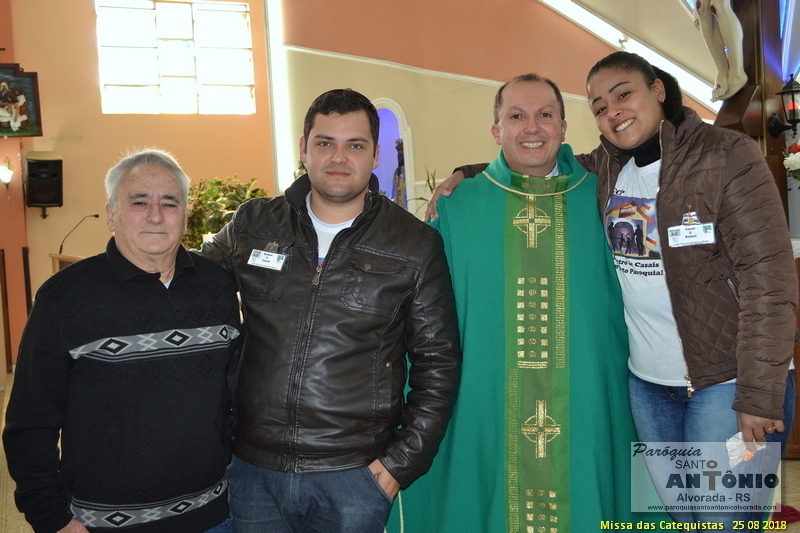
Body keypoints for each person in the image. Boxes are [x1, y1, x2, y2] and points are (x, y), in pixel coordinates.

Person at [429, 51, 797, 532]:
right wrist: (467, 172)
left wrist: (760, 393)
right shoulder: (607, 169)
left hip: (724, 383)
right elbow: (535, 164)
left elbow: (769, 280)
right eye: (600, 106)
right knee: (680, 519)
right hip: (650, 386)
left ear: (657, 90)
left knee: (722, 521)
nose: (614, 111)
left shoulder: (726, 154)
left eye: (624, 94)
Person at [388, 73, 653, 533]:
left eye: (545, 115)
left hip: (589, 398)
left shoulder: (604, 197)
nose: (532, 127)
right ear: (496, 131)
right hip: (488, 399)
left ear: (564, 128)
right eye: (516, 117)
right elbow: (418, 314)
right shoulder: (457, 207)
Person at [199, 88, 461, 533]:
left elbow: (439, 363)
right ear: (304, 149)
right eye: (325, 143)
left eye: (355, 145)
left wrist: (396, 468)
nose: (338, 158)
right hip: (253, 471)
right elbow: (189, 285)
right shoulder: (253, 224)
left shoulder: (414, 244)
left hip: (353, 479)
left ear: (375, 154)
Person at [3, 149, 241, 533]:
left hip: (213, 518)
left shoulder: (217, 286)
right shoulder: (65, 297)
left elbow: (232, 397)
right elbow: (30, 421)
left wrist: (233, 479)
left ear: (185, 215)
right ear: (111, 214)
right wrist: (52, 518)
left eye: (169, 202)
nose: (156, 215)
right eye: (139, 202)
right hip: (102, 525)